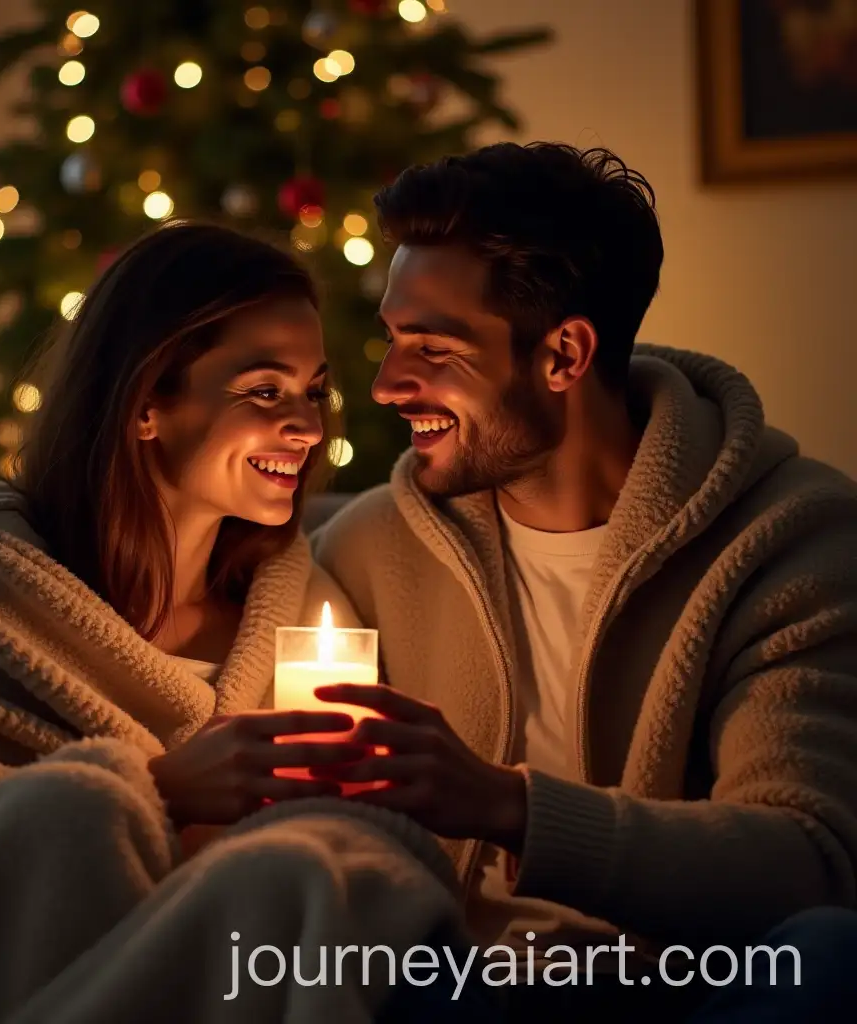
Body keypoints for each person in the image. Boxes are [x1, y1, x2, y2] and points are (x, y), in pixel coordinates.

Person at [0, 222, 492, 1024]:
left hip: (246, 972)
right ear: (148, 405)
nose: (309, 426)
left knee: (316, 868)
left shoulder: (305, 610)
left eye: (315, 390)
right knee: (85, 810)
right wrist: (159, 793)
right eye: (264, 390)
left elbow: (375, 840)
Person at [309, 142, 857, 1018]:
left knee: (831, 957)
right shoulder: (367, 548)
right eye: (390, 341)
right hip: (460, 990)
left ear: (564, 355)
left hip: (690, 989)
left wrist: (505, 804)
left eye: (432, 348)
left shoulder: (793, 540)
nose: (385, 385)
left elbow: (809, 859)